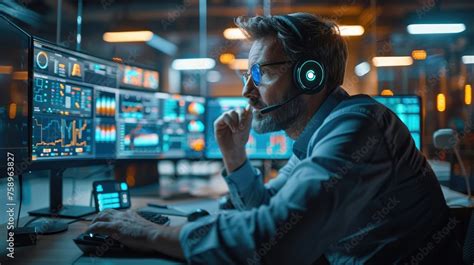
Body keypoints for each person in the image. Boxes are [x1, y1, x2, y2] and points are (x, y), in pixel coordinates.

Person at [87, 13, 461, 264]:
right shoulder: (320, 135)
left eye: (260, 74)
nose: (247, 90)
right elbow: (267, 210)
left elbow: (281, 238)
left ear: (309, 76)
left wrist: (153, 235)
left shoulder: (357, 127)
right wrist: (235, 158)